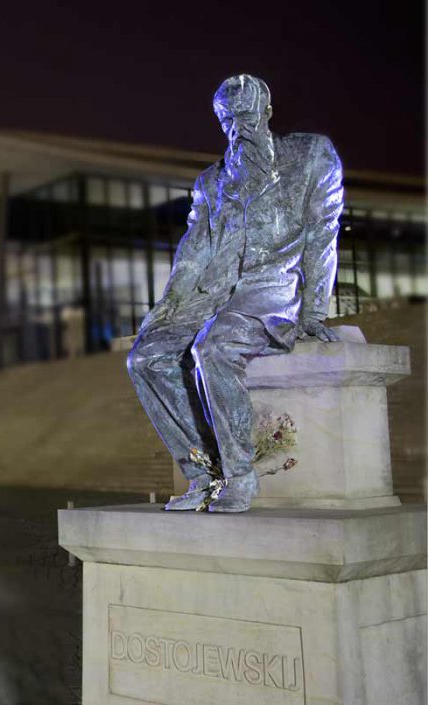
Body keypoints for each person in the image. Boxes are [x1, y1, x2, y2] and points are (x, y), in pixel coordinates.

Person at [127, 74, 343, 512]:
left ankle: (240, 476)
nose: (237, 127)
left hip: (271, 291)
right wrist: (166, 310)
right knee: (144, 358)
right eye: (228, 119)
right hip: (214, 292)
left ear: (266, 112)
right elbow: (192, 253)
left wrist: (315, 312)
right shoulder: (212, 182)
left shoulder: (310, 156)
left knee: (213, 347)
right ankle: (203, 472)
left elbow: (324, 235)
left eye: (245, 115)